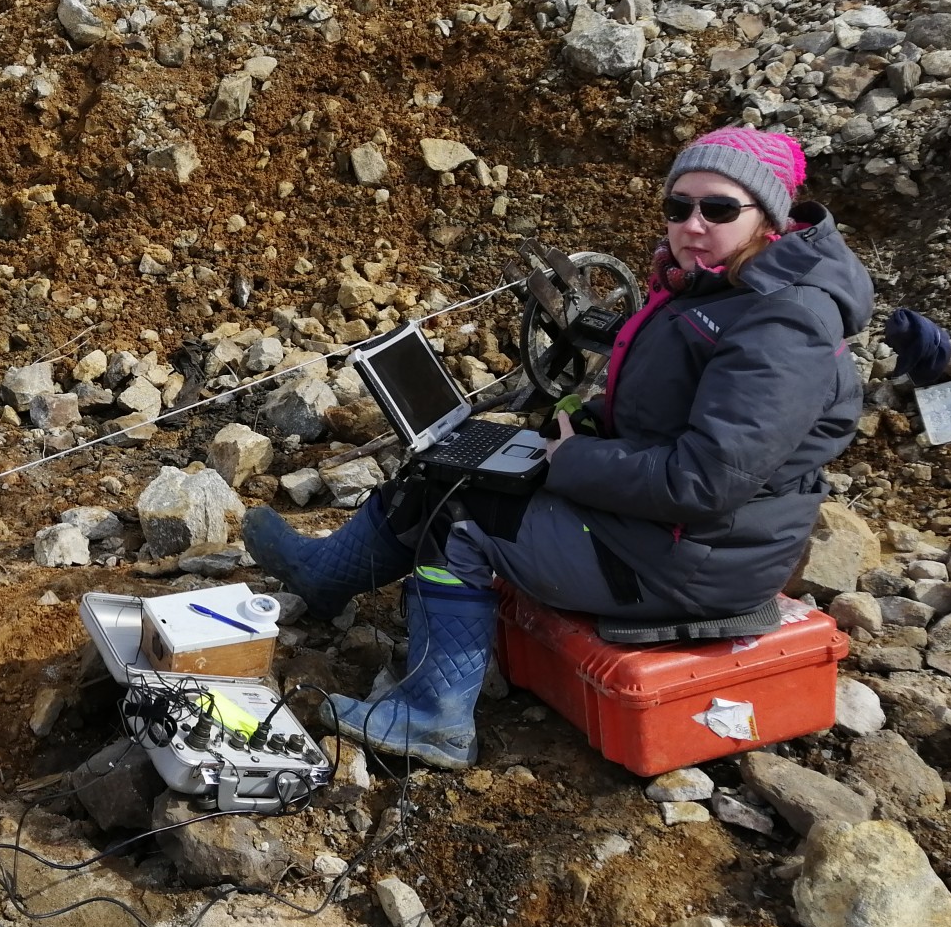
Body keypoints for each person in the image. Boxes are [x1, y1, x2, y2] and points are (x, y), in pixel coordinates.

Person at [243, 127, 873, 768]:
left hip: (691, 561)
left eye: (717, 209)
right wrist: (585, 420)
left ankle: (435, 716)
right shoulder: (714, 289)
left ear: (768, 217)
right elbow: (673, 415)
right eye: (678, 207)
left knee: (458, 518)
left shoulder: (781, 322)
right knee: (448, 467)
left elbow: (705, 480)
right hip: (668, 530)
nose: (691, 224)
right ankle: (325, 578)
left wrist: (571, 460)